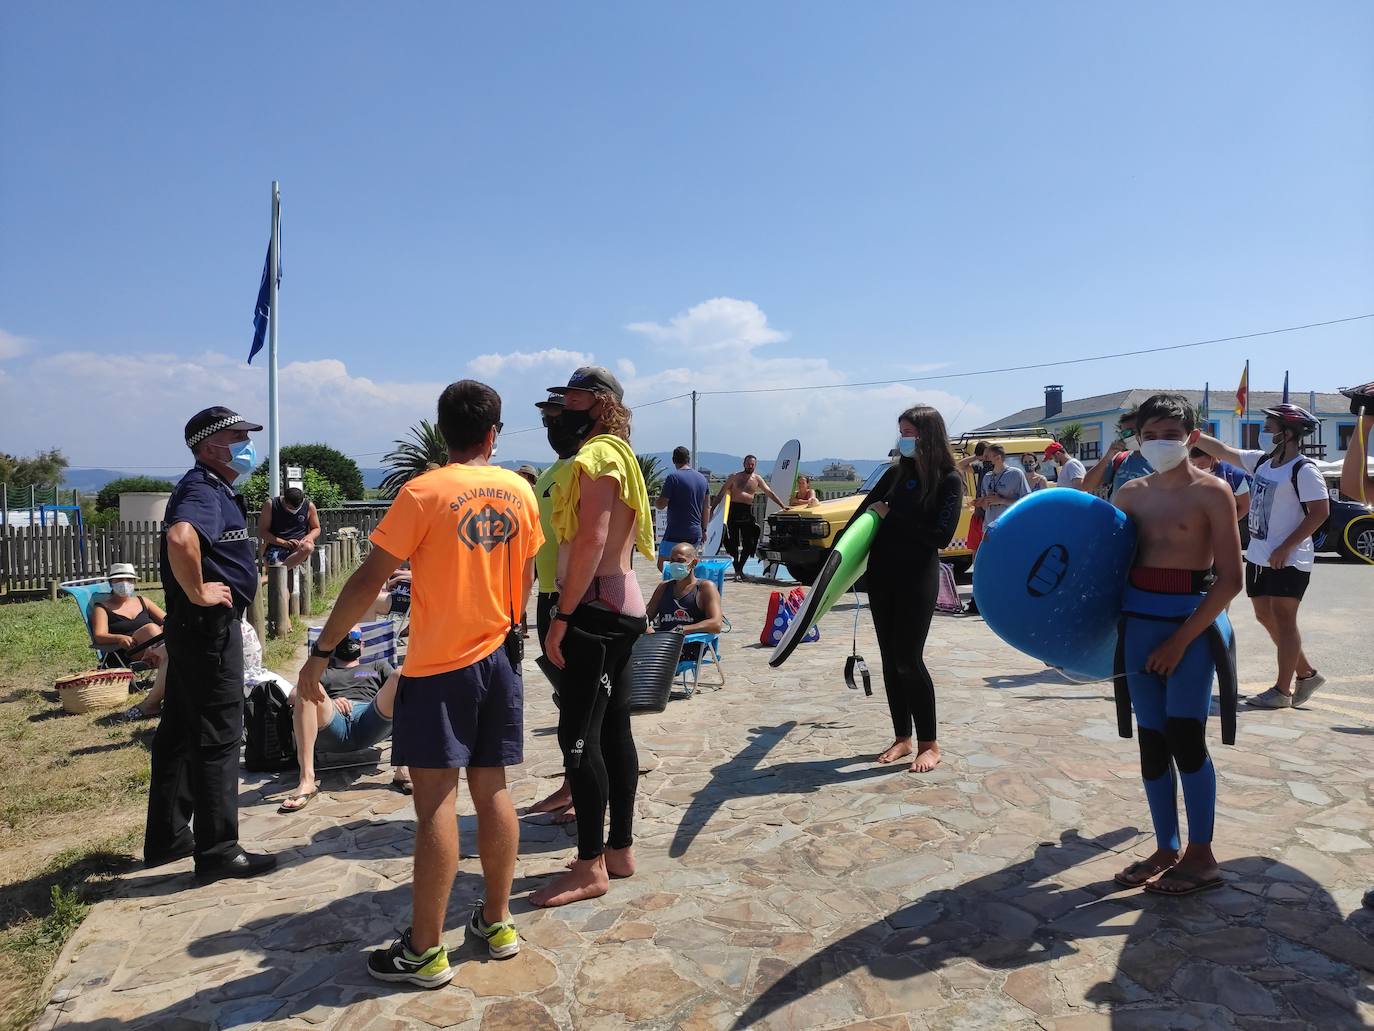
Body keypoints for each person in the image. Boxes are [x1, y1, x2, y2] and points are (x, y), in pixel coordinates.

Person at [297, 380, 540, 986]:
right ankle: (497, 920)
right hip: (500, 658)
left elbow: (366, 578)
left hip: (439, 667)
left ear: (442, 430)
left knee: (435, 801)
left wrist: (321, 652)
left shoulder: (423, 492)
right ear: (494, 433)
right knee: (495, 790)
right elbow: (526, 574)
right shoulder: (519, 491)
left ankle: (426, 951)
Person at [1107, 393, 1242, 896]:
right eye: (1152, 435)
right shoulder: (1130, 494)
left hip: (1190, 626)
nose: (1161, 443)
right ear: (1138, 439)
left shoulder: (1213, 493)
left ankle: (1202, 855)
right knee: (1152, 742)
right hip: (1138, 626)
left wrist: (1181, 641)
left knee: (1186, 739)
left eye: (1172, 434)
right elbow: (1103, 569)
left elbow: (1230, 580)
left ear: (1191, 436)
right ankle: (1166, 846)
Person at [533, 366, 654, 908]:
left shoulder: (597, 456)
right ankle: (620, 849)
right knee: (614, 733)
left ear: (599, 402)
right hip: (619, 603)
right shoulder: (620, 452)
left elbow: (590, 541)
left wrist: (562, 614)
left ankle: (589, 867)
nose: (564, 402)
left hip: (596, 611)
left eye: (574, 394)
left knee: (578, 740)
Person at [144, 406, 276, 884]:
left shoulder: (216, 489)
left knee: (179, 731)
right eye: (239, 436)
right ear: (210, 445)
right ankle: (218, 849)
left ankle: (168, 837)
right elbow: (182, 539)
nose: (247, 444)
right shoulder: (201, 489)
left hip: (194, 631)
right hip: (209, 630)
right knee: (219, 737)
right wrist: (200, 589)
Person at [848, 406, 964, 774]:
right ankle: (902, 737)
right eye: (901, 431)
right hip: (882, 576)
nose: (904, 439)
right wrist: (833, 565)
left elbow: (940, 536)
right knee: (888, 659)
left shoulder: (948, 480)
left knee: (908, 660)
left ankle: (930, 743)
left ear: (929, 434)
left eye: (910, 432)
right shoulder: (895, 475)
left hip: (917, 577)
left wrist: (892, 515)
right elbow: (863, 516)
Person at [1193, 404, 1330, 709]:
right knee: (1264, 616)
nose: (1263, 433)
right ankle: (1306, 673)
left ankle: (1283, 690)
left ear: (1288, 432)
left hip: (1290, 558)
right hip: (1259, 555)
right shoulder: (1263, 463)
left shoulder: (1304, 470)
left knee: (1284, 618)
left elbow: (1320, 513)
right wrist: (1191, 434)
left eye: (1269, 428)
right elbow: (1223, 450)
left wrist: (1286, 547)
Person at [527, 392, 582, 826]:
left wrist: (566, 605)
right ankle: (570, 783)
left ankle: (584, 791)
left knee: (584, 704)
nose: (551, 428)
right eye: (545, 420)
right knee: (565, 700)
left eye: (556, 418)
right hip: (548, 595)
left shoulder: (584, 468)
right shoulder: (551, 470)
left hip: (573, 600)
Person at [279, 630, 405, 812]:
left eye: (354, 636)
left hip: (370, 716)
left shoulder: (377, 666)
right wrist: (329, 700)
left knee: (401, 676)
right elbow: (293, 696)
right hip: (332, 721)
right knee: (308, 684)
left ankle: (403, 769)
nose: (349, 640)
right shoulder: (322, 672)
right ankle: (307, 781)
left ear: (362, 644)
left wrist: (377, 699)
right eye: (344, 636)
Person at [645, 542, 724, 661]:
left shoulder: (705, 588)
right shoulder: (664, 587)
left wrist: (683, 629)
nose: (675, 564)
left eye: (680, 560)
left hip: (689, 645)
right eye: (672, 561)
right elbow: (647, 615)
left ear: (694, 563)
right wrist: (646, 627)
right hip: (661, 643)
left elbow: (716, 624)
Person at [714, 454, 786, 581]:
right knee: (733, 543)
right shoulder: (734, 477)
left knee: (750, 542)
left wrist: (782, 505)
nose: (750, 466)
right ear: (744, 464)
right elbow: (721, 493)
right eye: (748, 463)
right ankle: (737, 570)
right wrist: (712, 509)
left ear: (755, 465)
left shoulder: (757, 479)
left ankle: (740, 569)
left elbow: (769, 492)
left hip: (747, 512)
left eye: (752, 464)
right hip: (733, 511)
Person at [655, 446, 711, 571]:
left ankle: (674, 589)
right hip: (695, 532)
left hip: (675, 531)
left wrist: (656, 501)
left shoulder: (673, 477)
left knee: (664, 566)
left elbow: (661, 504)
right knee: (689, 566)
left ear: (673, 460)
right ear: (689, 460)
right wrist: (704, 529)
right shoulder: (702, 479)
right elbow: (706, 507)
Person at [1081, 409, 1154, 498]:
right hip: (1118, 512)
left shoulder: (1161, 460)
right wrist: (1108, 456)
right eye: (1125, 433)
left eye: (1132, 431)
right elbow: (1086, 485)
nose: (1129, 436)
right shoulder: (1119, 459)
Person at [1190, 448, 1252, 542]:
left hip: (1237, 522)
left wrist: (1225, 526)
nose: (1198, 469)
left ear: (1213, 457)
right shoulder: (1194, 476)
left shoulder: (1234, 475)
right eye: (1194, 465)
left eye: (1201, 466)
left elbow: (1245, 506)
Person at [257, 487, 320, 569]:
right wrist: (284, 543)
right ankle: (276, 574)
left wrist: (308, 537)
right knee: (275, 564)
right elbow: (263, 532)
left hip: (299, 548)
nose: (294, 510)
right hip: (276, 546)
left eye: (297, 507)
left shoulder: (309, 506)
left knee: (308, 547)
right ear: (285, 501)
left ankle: (273, 575)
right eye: (291, 508)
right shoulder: (271, 505)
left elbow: (316, 528)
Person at [971, 444, 1029, 527]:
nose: (984, 460)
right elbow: (984, 507)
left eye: (987, 457)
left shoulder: (1016, 474)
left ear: (998, 458)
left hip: (1010, 526)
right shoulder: (987, 477)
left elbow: (1026, 502)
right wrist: (982, 502)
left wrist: (1002, 500)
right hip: (990, 527)